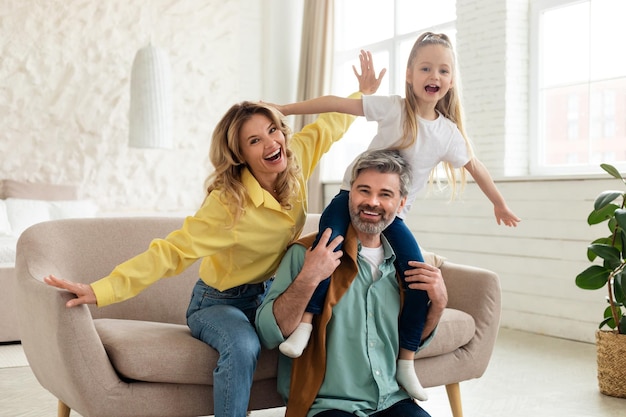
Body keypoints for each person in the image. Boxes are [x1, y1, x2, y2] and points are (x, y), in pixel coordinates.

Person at [41, 52, 385, 417]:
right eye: (254, 141)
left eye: (272, 130)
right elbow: (170, 253)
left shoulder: (295, 157)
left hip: (270, 294)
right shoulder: (228, 205)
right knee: (243, 346)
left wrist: (360, 93)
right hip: (219, 303)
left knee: (324, 327)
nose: (271, 144)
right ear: (240, 155)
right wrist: (101, 290)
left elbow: (330, 125)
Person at [273, 32, 521, 401]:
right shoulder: (392, 108)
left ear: (451, 81)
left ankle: (406, 359)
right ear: (409, 74)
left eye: (443, 69)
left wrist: (499, 203)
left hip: (393, 217)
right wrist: (286, 111)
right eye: (425, 67)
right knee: (327, 250)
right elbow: (339, 105)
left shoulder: (448, 133)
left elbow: (476, 166)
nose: (433, 75)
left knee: (418, 274)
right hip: (350, 200)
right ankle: (306, 324)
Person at [256, 148, 447, 417]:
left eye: (385, 194)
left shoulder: (406, 266)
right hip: (325, 405)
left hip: (391, 400)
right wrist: (310, 277)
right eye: (364, 191)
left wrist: (438, 303)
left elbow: (413, 338)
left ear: (401, 204)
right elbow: (268, 332)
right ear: (349, 194)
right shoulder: (306, 254)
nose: (372, 202)